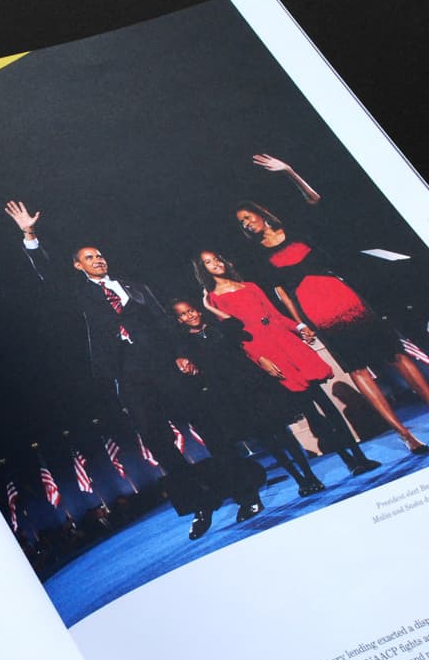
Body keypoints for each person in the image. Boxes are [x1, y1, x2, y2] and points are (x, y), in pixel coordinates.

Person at [3, 200, 256, 539]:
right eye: (90, 257)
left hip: (165, 365)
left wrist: (182, 354)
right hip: (129, 375)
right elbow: (47, 275)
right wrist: (29, 234)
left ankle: (244, 491)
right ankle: (199, 505)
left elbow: (167, 324)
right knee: (160, 442)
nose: (98, 259)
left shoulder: (135, 287)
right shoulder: (80, 293)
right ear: (78, 266)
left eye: (100, 255)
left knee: (206, 423)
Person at [235, 153, 429, 455]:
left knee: (394, 353)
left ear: (260, 214)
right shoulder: (257, 258)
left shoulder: (296, 227)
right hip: (317, 312)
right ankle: (405, 434)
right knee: (357, 368)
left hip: (345, 297)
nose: (246, 224)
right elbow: (282, 293)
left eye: (247, 217)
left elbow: (313, 199)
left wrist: (289, 170)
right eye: (241, 223)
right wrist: (301, 323)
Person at [194, 249, 382, 474]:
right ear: (203, 269)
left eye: (216, 258)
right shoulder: (214, 298)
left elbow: (275, 316)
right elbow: (234, 333)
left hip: (287, 342)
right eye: (208, 262)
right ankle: (349, 462)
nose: (215, 263)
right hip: (265, 350)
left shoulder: (251, 286)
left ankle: (360, 456)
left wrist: (300, 327)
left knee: (327, 405)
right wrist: (259, 358)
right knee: (311, 413)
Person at [170, 299, 326, 496]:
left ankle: (310, 476)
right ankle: (300, 480)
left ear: (199, 311)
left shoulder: (219, 328)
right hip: (231, 398)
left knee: (284, 434)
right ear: (179, 320)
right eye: (183, 314)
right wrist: (183, 363)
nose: (189, 315)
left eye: (191, 310)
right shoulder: (186, 345)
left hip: (255, 387)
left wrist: (210, 307)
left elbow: (237, 324)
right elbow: (190, 368)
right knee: (269, 442)